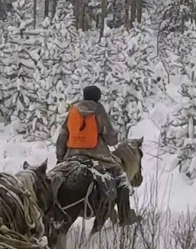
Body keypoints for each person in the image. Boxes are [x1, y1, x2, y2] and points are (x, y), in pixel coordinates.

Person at [55, 85, 137, 227]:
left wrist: (60, 157)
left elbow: (63, 135)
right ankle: (125, 218)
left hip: (72, 156)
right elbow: (111, 139)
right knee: (121, 179)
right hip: (98, 158)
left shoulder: (73, 110)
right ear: (98, 97)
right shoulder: (98, 110)